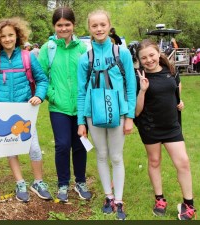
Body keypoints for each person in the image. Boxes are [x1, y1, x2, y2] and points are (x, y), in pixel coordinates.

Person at [77, 10, 136, 220]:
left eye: (102, 25)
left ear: (109, 25)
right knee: (101, 155)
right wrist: (81, 122)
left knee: (116, 156)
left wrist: (129, 117)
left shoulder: (122, 54)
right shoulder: (85, 58)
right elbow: (81, 91)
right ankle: (108, 196)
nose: (99, 29)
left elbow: (131, 85)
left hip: (118, 113)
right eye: (94, 26)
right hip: (94, 115)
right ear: (89, 29)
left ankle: (119, 200)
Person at [0, 17, 52, 202]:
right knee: (11, 148)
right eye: (3, 36)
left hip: (26, 111)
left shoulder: (28, 56)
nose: (7, 39)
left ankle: (38, 181)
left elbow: (42, 79)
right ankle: (20, 182)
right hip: (5, 112)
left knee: (34, 148)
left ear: (18, 36)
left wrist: (39, 95)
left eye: (11, 35)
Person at [135, 39, 196, 220]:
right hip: (149, 126)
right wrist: (143, 90)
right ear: (139, 59)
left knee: (183, 163)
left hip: (171, 126)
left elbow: (176, 90)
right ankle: (160, 199)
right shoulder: (139, 76)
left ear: (158, 53)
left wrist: (179, 102)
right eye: (144, 57)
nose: (149, 60)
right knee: (154, 162)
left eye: (152, 55)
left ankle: (188, 204)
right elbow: (137, 111)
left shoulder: (171, 71)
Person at [38, 7, 92, 203]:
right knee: (62, 145)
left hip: (81, 107)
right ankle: (62, 184)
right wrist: (52, 96)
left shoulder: (83, 49)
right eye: (59, 25)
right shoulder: (48, 48)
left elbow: (90, 75)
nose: (63, 28)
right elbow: (40, 76)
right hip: (58, 107)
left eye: (67, 24)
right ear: (54, 26)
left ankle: (80, 182)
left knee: (80, 145)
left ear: (73, 25)